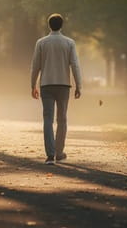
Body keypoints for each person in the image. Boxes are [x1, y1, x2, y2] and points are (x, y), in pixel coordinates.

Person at [31, 13, 83, 165]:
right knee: (62, 119)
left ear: (49, 25)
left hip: (46, 84)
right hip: (63, 85)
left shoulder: (41, 42)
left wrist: (33, 85)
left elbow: (35, 66)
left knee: (48, 119)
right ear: (61, 25)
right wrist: (78, 85)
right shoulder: (69, 43)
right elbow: (75, 65)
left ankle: (50, 155)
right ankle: (59, 152)